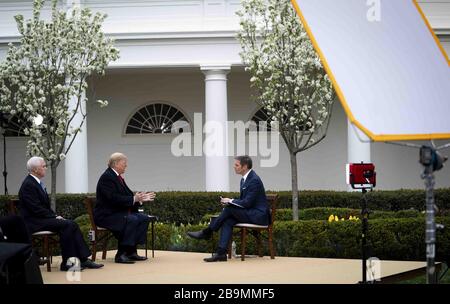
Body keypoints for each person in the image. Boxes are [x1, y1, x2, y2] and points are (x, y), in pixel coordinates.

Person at [18, 156, 103, 271]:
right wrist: (54, 216)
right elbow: (36, 209)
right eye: (43, 166)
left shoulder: (35, 182)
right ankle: (67, 263)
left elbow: (44, 207)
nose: (46, 168)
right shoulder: (29, 184)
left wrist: (55, 216)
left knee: (71, 224)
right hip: (33, 222)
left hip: (41, 219)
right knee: (67, 225)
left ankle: (82, 259)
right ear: (35, 170)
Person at [187, 155, 270, 262]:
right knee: (228, 220)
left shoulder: (254, 180)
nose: (234, 167)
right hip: (250, 213)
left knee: (229, 209)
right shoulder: (244, 180)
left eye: (237, 165)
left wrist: (230, 201)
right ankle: (221, 254)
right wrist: (229, 202)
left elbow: (247, 203)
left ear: (244, 167)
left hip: (259, 216)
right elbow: (243, 202)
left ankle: (207, 232)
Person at [94, 152, 156, 264]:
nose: (126, 166)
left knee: (143, 218)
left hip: (117, 213)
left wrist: (140, 199)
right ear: (116, 164)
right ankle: (121, 254)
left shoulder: (117, 177)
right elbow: (113, 199)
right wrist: (134, 199)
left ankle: (131, 251)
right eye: (124, 163)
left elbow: (127, 197)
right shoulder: (107, 177)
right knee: (131, 219)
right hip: (106, 215)